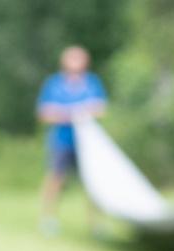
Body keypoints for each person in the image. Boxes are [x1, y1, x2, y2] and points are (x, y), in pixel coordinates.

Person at [36, 46, 108, 235]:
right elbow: (43, 112)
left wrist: (79, 111)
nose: (76, 62)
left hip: (87, 143)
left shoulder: (92, 82)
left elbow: (100, 108)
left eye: (79, 59)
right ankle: (48, 219)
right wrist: (70, 113)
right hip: (61, 139)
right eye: (72, 58)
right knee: (55, 178)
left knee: (93, 182)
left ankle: (96, 223)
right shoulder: (54, 83)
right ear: (64, 61)